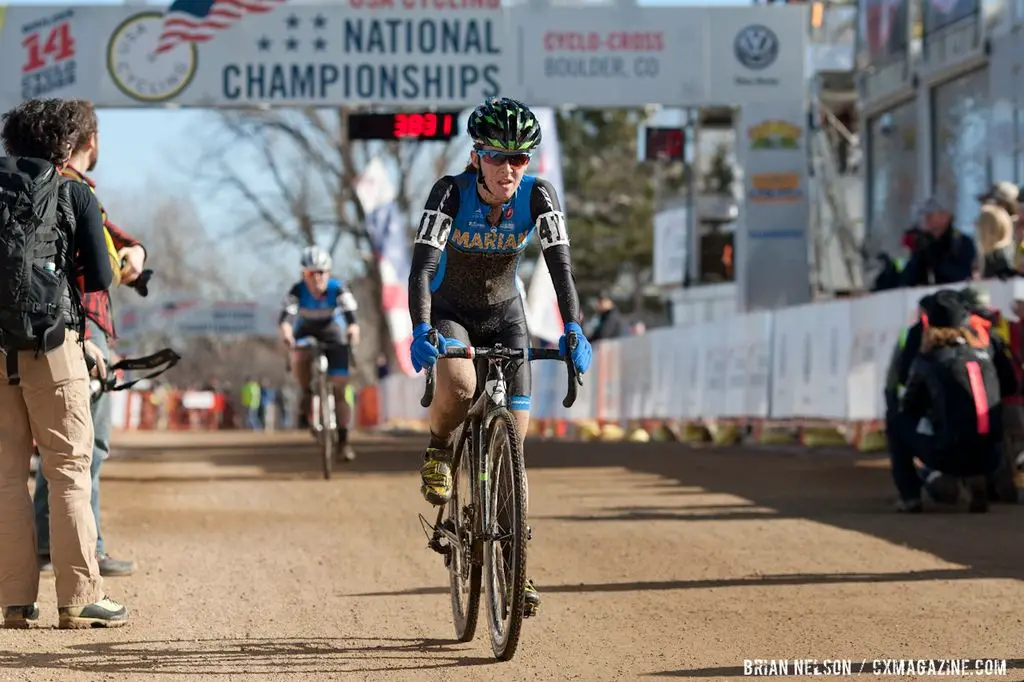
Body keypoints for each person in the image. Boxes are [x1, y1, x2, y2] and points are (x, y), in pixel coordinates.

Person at [407, 97, 593, 616]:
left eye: (520, 158)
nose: (509, 168)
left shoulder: (539, 197)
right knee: (463, 387)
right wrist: (422, 328)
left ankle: (514, 569)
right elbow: (421, 269)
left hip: (505, 314)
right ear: (477, 155)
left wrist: (574, 327)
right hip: (451, 311)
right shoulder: (449, 193)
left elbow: (561, 270)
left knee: (517, 440)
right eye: (497, 156)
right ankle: (439, 446)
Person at [0, 97, 128, 628]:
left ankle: (13, 603)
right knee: (69, 471)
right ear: (66, 144)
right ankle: (78, 598)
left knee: (6, 478)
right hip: (54, 348)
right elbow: (100, 277)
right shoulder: (74, 190)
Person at [32, 99, 145, 579]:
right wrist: (132, 257)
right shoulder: (77, 191)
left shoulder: (31, 185)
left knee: (45, 444)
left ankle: (41, 541)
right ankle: (87, 548)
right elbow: (105, 263)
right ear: (90, 142)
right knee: (86, 444)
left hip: (33, 323)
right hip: (83, 325)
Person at [890, 290, 1014, 513]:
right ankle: (979, 476)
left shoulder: (928, 358)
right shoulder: (987, 348)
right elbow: (1011, 386)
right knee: (989, 415)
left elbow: (909, 405)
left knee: (897, 423)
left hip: (948, 451)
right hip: (991, 454)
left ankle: (912, 494)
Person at [278, 246, 359, 462]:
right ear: (303, 275)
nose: (316, 279)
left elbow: (351, 316)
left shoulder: (338, 289)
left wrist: (352, 328)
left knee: (340, 387)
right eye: (309, 274)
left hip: (331, 332)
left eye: (321, 272)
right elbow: (286, 318)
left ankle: (343, 441)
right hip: (305, 330)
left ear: (329, 273)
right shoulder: (297, 291)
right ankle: (306, 390)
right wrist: (287, 334)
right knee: (299, 354)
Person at [900, 196, 976, 286]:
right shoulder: (924, 243)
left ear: (945, 216)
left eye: (930, 215)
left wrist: (935, 261)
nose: (926, 219)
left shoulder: (961, 243)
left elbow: (962, 275)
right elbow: (909, 278)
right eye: (926, 215)